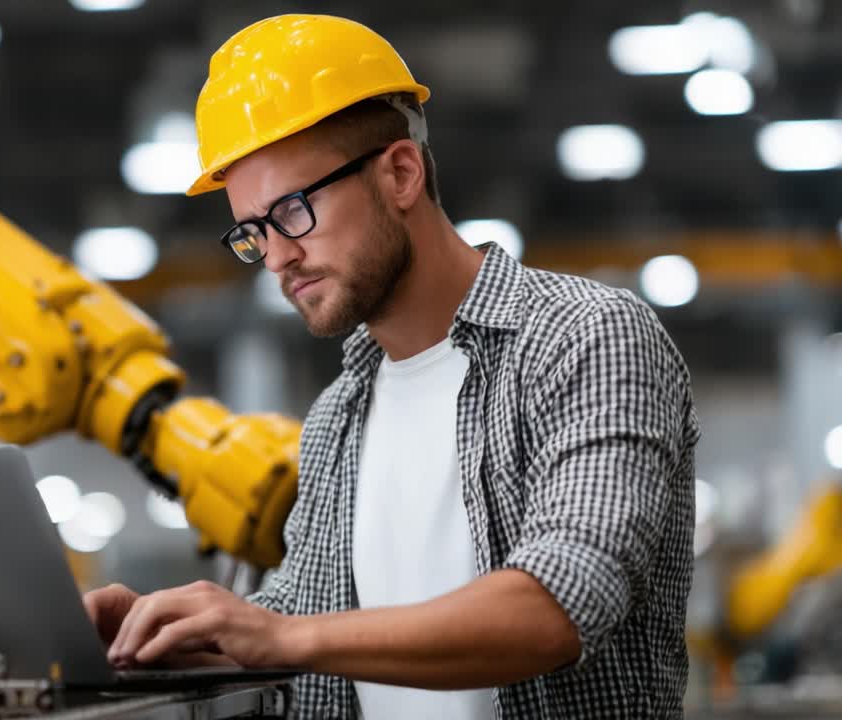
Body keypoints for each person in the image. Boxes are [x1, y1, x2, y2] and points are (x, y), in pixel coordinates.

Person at [84, 14, 700, 719]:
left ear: (401, 173)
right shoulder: (337, 415)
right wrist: (169, 636)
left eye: (291, 210)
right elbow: (300, 618)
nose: (277, 256)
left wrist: (283, 633)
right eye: (253, 232)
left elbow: (557, 604)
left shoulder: (585, 339)